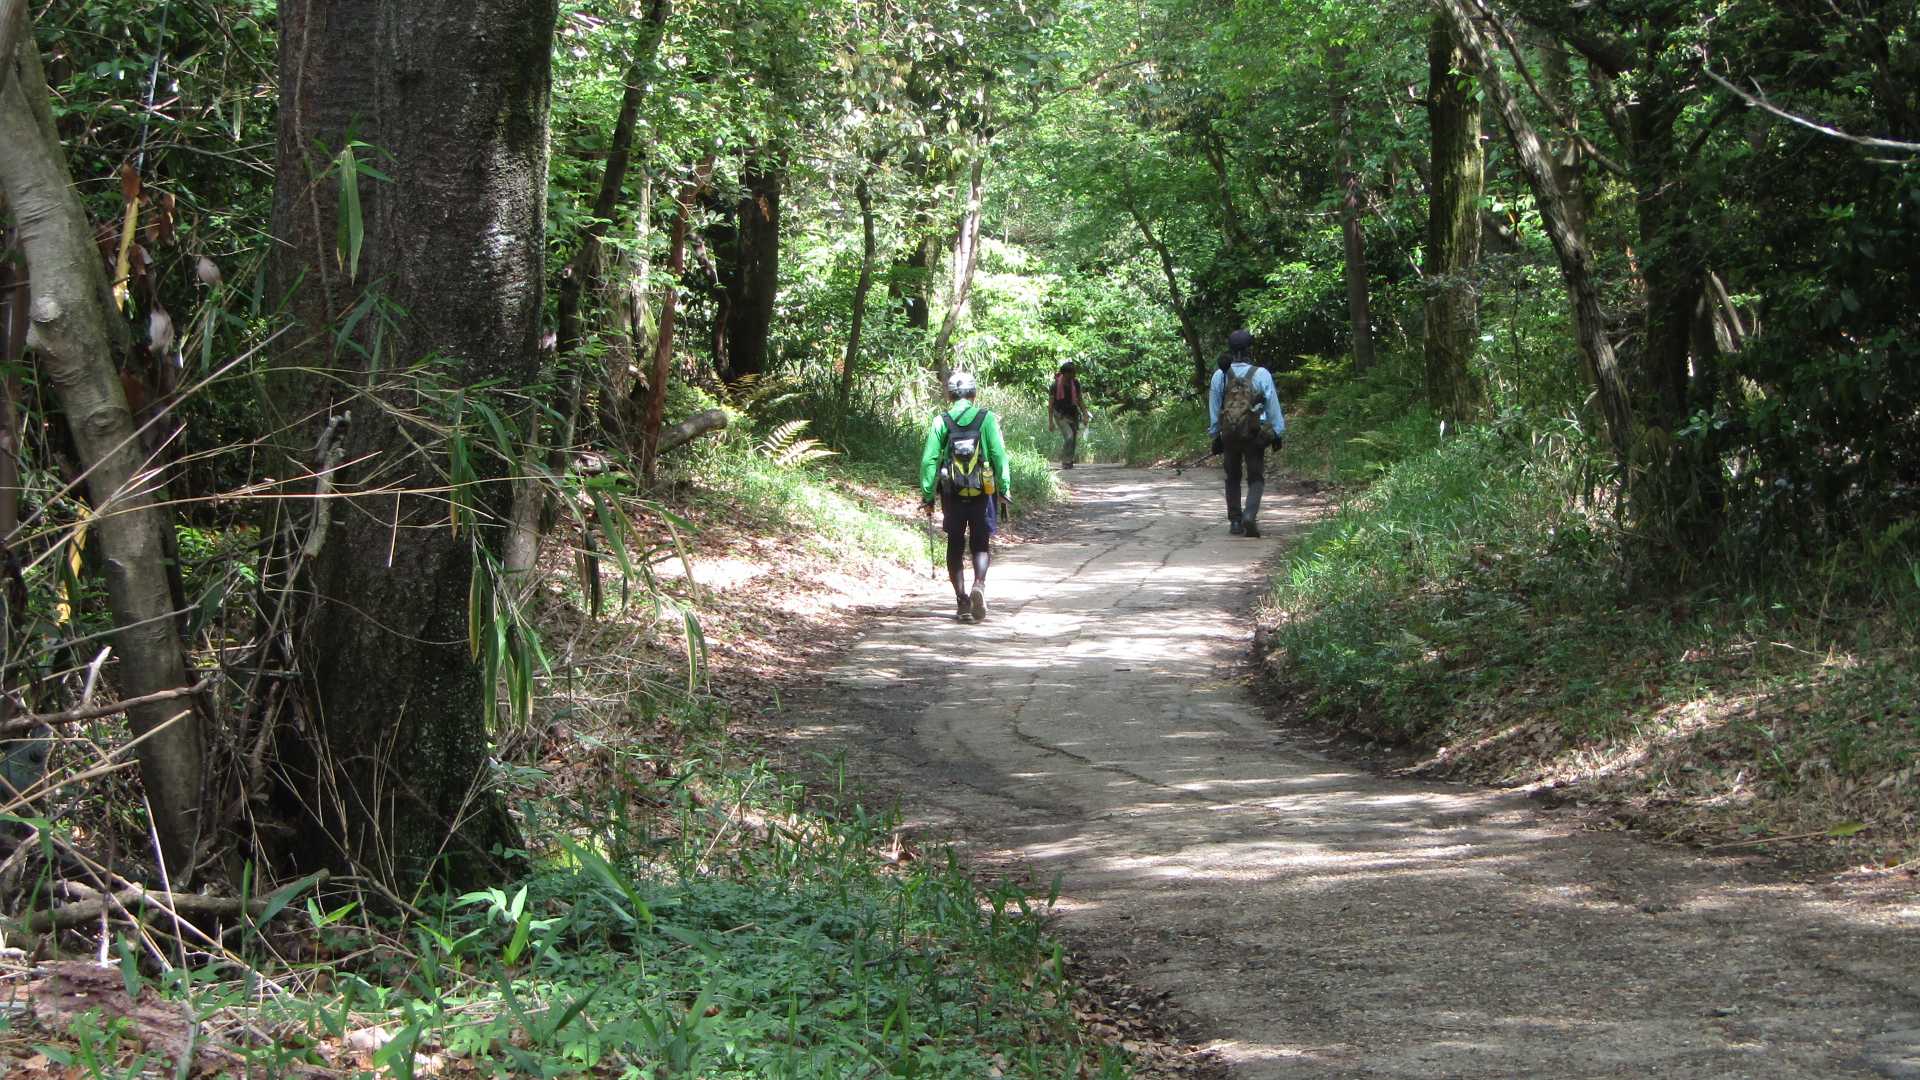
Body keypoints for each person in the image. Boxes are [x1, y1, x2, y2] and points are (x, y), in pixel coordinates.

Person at [921, 371, 1012, 622]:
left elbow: (929, 460)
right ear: (973, 394)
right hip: (984, 490)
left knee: (955, 543)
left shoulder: (941, 421)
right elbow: (999, 455)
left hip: (952, 492)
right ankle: (979, 585)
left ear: (950, 395)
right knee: (980, 543)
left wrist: (927, 494)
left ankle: (962, 602)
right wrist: (1004, 488)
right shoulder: (987, 418)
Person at [1207, 329, 1286, 538]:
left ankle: (1235, 521)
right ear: (1249, 349)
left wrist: (1215, 435)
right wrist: (1277, 432)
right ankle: (1249, 515)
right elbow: (1272, 405)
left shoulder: (1220, 375)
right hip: (1253, 433)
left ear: (1230, 349)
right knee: (1256, 477)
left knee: (1232, 477)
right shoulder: (1261, 374)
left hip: (1229, 434)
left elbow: (1214, 407)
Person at [1048, 359, 1089, 469]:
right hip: (1060, 415)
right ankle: (1065, 460)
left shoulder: (1075, 384)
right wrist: (1051, 422)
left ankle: (1069, 460)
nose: (1074, 375)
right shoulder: (1055, 386)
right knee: (1069, 436)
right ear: (1066, 373)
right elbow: (1051, 405)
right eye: (1072, 372)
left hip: (1072, 413)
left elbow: (1080, 400)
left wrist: (1085, 414)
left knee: (1074, 438)